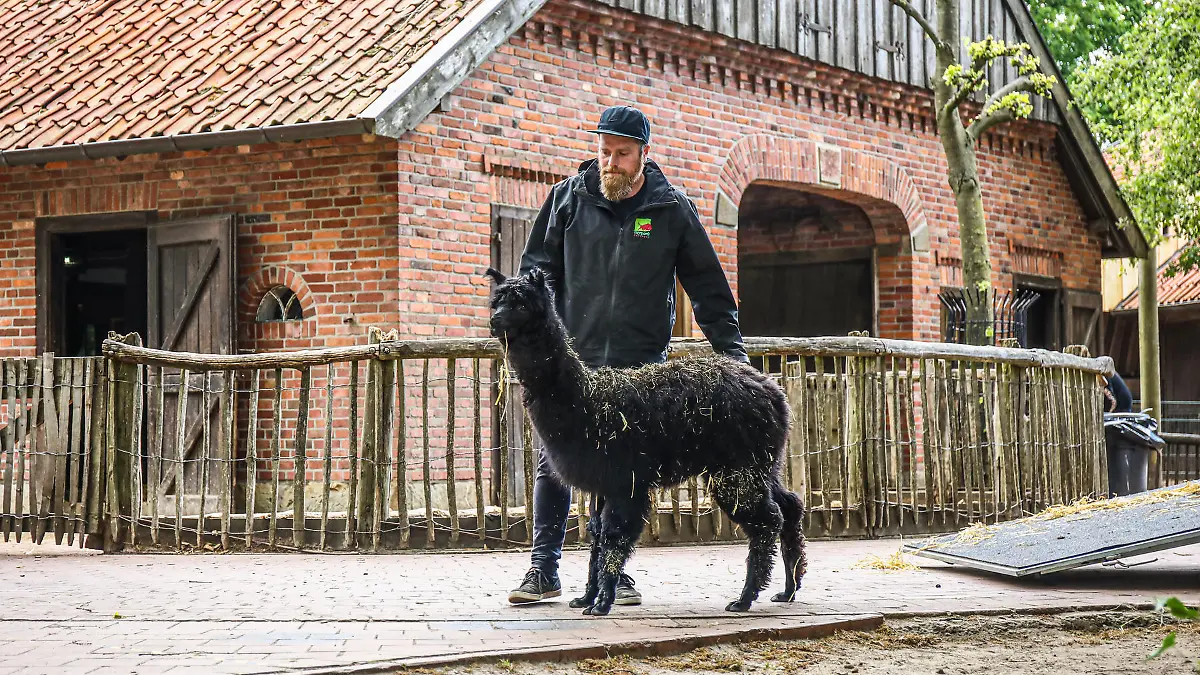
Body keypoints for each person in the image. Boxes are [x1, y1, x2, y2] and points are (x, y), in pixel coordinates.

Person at [506, 105, 751, 605]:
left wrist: (734, 356)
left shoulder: (671, 210)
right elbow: (536, 273)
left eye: (621, 154)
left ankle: (614, 573)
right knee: (555, 461)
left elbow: (707, 288)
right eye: (604, 152)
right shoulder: (566, 201)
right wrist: (533, 334)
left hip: (640, 366)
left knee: (625, 467)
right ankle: (543, 568)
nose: (611, 162)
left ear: (643, 154)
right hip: (573, 359)